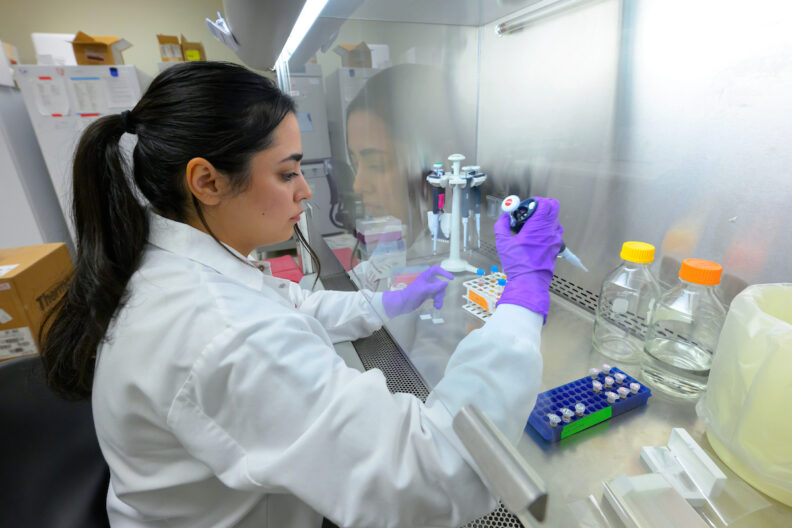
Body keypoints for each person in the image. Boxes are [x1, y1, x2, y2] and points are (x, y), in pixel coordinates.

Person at [40, 61, 563, 528]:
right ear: (207, 181)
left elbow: (292, 304)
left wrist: (386, 303)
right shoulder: (220, 330)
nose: (306, 189)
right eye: (287, 172)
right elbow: (433, 477)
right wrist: (523, 297)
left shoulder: (173, 263)